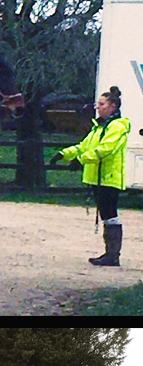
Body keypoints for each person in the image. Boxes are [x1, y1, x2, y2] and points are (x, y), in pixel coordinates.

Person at [51, 86, 132, 267]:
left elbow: (105, 149)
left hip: (109, 177)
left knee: (110, 214)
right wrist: (64, 154)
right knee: (107, 215)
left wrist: (81, 160)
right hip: (98, 177)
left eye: (101, 104)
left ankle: (113, 255)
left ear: (112, 106)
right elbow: (84, 146)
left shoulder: (117, 127)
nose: (98, 107)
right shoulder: (99, 128)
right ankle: (110, 253)